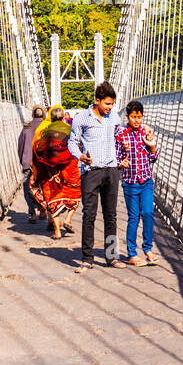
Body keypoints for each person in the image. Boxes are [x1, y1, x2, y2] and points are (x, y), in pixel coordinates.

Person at [68, 81, 121, 270]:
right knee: (89, 214)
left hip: (112, 170)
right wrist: (80, 156)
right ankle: (87, 258)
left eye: (112, 104)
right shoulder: (82, 118)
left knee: (111, 215)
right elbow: (72, 142)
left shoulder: (114, 116)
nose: (110, 107)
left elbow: (121, 137)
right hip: (91, 172)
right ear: (97, 100)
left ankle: (112, 257)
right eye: (107, 104)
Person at [115, 100, 157, 265]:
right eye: (133, 117)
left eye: (139, 117)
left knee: (148, 213)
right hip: (130, 182)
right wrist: (120, 163)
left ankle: (147, 249)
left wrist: (152, 146)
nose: (137, 120)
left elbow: (153, 157)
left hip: (146, 180)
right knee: (134, 217)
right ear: (127, 117)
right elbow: (117, 156)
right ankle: (132, 253)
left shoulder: (146, 133)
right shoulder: (121, 134)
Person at [30, 106, 81, 239]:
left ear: (51, 118)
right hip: (69, 169)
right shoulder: (70, 130)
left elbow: (38, 149)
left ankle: (57, 231)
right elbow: (77, 147)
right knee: (74, 193)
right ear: (64, 117)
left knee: (53, 197)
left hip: (51, 171)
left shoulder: (46, 132)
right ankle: (68, 219)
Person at [18, 104, 47, 222]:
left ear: (32, 114)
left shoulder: (26, 127)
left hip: (28, 163)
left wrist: (23, 160)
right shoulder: (47, 127)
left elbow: (20, 146)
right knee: (43, 188)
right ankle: (43, 211)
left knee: (28, 189)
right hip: (43, 164)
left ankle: (32, 214)